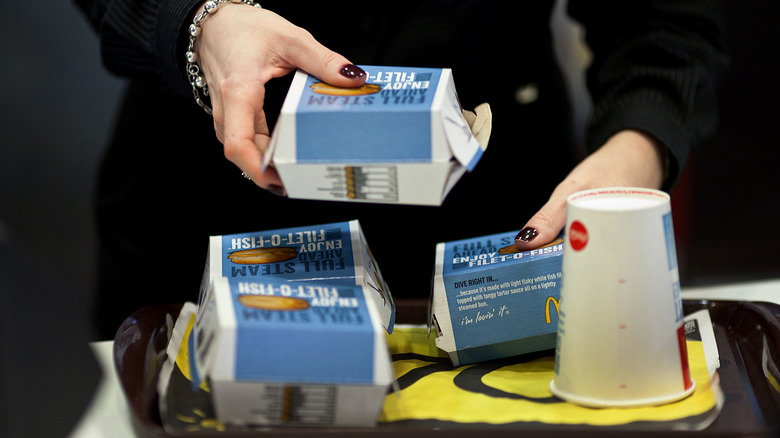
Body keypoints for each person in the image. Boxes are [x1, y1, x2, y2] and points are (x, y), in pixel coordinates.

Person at [74, 0, 728, 339]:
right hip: (210, 196)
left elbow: (662, 22)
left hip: (496, 228)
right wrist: (196, 22)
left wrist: (636, 146)